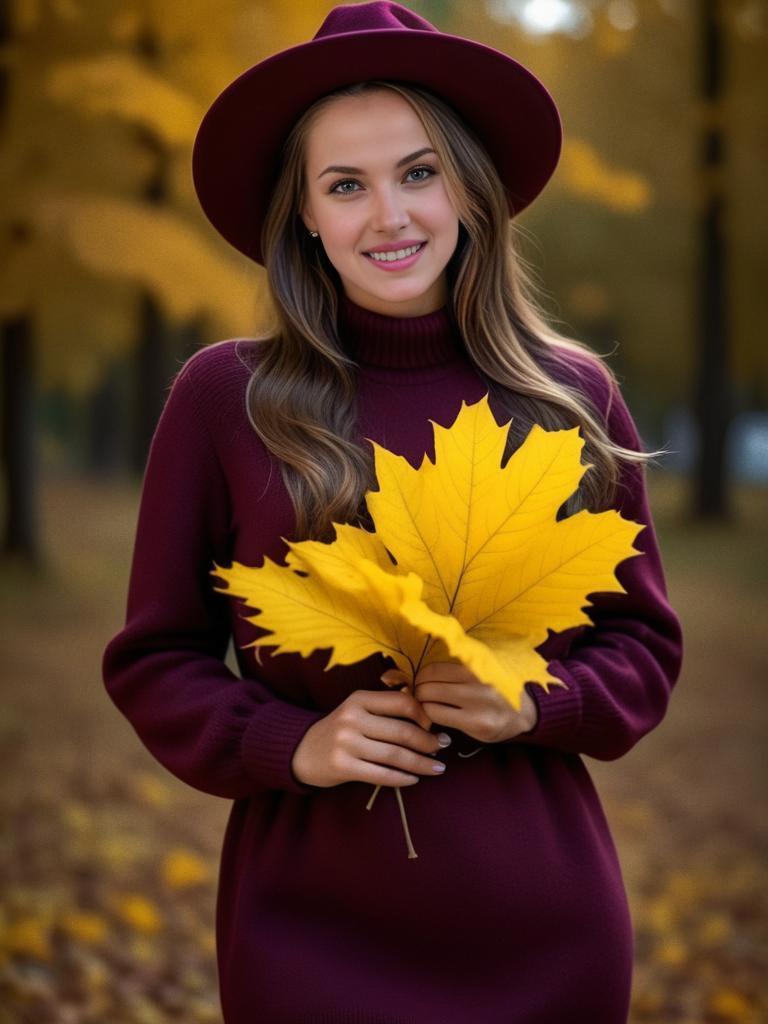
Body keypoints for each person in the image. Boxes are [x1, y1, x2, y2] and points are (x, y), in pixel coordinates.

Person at [102, 3, 684, 1022]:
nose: (390, 214)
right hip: (305, 934)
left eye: (419, 172)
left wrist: (534, 702)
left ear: (469, 187)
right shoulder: (224, 399)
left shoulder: (569, 398)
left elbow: (643, 644)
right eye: (345, 185)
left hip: (545, 929)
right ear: (305, 217)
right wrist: (290, 742)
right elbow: (154, 659)